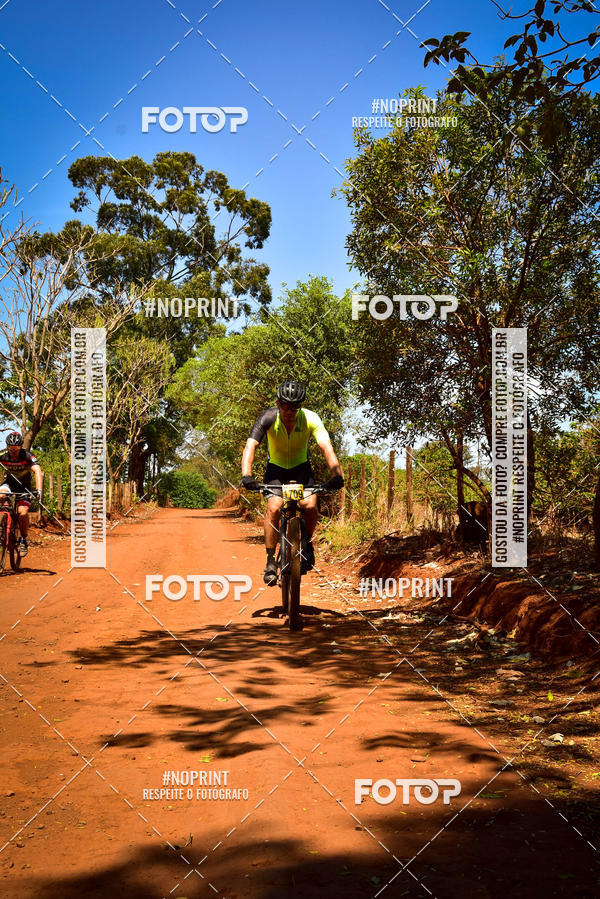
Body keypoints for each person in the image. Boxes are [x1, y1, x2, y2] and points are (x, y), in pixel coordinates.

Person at [241, 380, 344, 585]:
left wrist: (337, 475)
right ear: (278, 403)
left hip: (301, 469)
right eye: (286, 406)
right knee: (274, 507)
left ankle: (306, 543)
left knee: (310, 505)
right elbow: (250, 446)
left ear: (301, 406)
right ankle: (271, 561)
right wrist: (247, 475)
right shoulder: (268, 418)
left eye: (295, 407)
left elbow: (326, 447)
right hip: (276, 470)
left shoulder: (310, 418)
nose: (290, 411)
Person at [0, 431, 43, 557]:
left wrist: (38, 490)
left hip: (24, 487)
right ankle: (4, 522)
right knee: (1, 496)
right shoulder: (3, 454)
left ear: (21, 447)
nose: (13, 451)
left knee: (23, 512)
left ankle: (23, 539)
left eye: (16, 448)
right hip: (9, 484)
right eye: (11, 448)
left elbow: (37, 471)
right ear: (7, 446)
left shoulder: (27, 455)